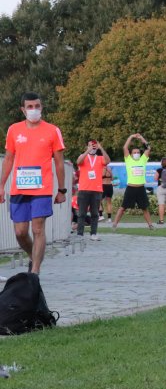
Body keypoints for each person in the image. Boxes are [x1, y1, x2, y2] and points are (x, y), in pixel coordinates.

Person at [0, 92, 68, 273]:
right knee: (20, 233)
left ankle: (35, 273)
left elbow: (59, 163)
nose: (34, 110)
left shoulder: (53, 130)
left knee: (38, 228)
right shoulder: (14, 130)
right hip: (19, 187)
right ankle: (33, 256)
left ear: (41, 107)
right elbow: (8, 159)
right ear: (23, 110)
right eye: (30, 107)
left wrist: (62, 190)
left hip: (42, 187)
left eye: (37, 106)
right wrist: (1, 185)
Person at [111, 133, 155, 230]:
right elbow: (125, 147)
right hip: (131, 188)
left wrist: (141, 138)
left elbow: (148, 148)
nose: (136, 154)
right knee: (123, 208)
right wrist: (130, 137)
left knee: (144, 208)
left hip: (140, 188)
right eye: (134, 152)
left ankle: (150, 225)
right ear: (131, 154)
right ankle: (114, 224)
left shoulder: (143, 160)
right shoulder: (129, 160)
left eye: (138, 152)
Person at [76, 139, 109, 240]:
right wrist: (87, 151)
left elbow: (108, 161)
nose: (92, 148)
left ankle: (93, 234)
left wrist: (101, 148)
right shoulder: (83, 156)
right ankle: (80, 234)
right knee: (82, 213)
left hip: (97, 189)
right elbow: (78, 162)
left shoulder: (99, 158)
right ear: (87, 146)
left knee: (95, 214)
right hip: (84, 189)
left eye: (94, 146)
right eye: (90, 145)